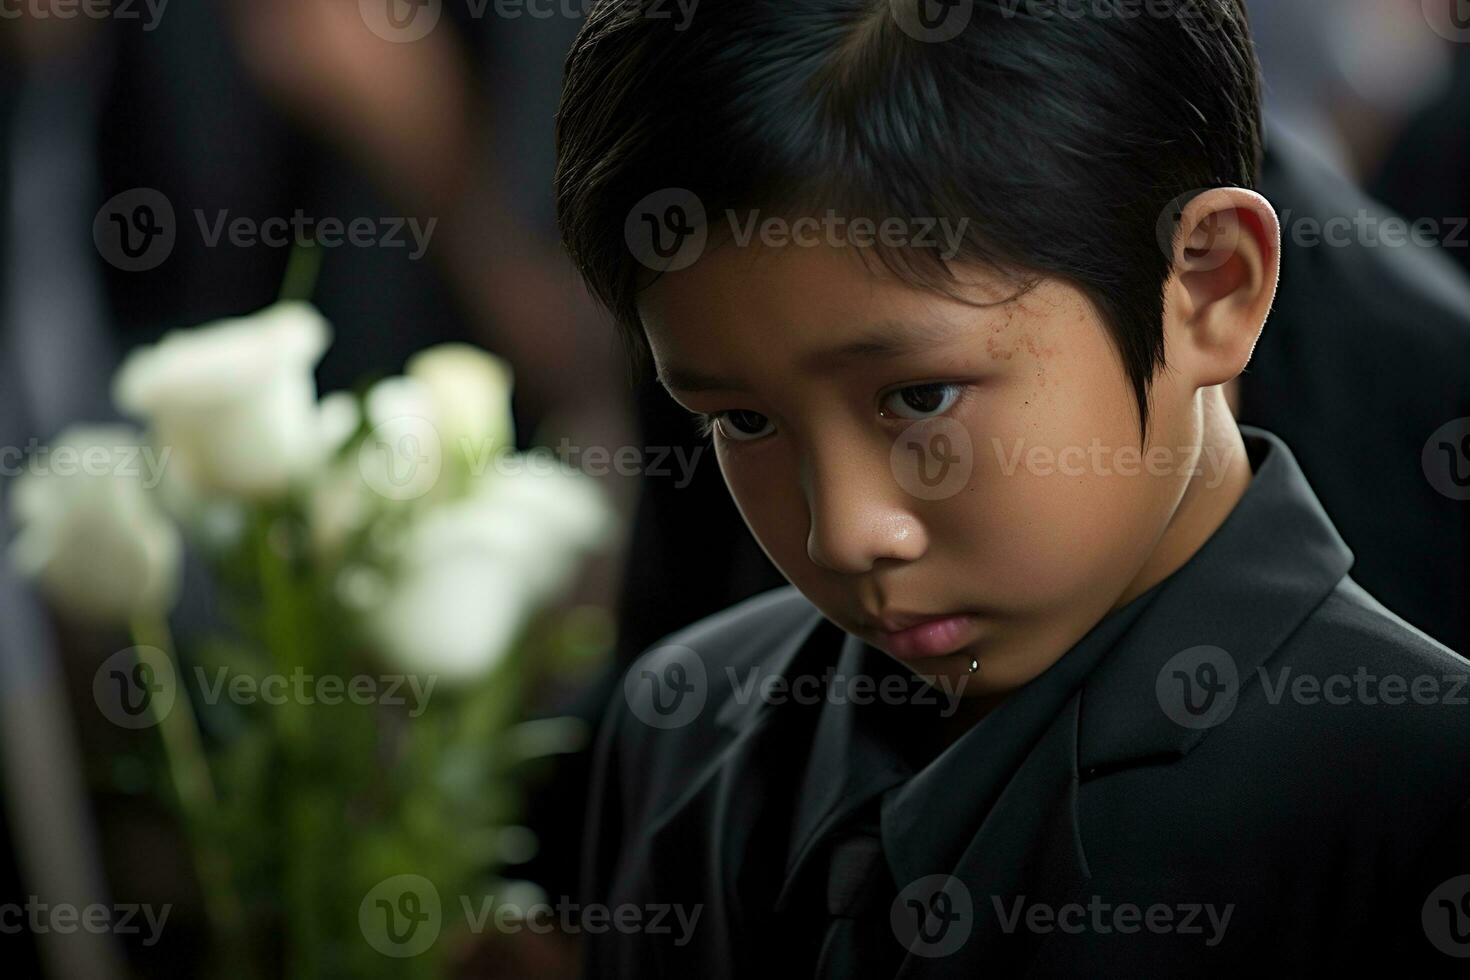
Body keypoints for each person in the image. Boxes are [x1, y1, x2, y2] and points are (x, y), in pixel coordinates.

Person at [554, 1, 1470, 975]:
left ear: (1210, 285)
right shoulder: (683, 730)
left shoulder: (1425, 796)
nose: (845, 532)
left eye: (920, 395)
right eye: (743, 419)